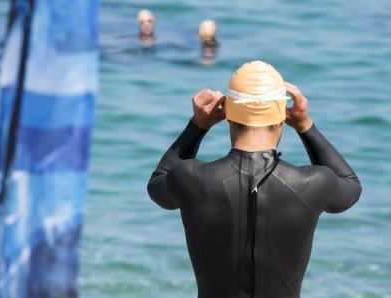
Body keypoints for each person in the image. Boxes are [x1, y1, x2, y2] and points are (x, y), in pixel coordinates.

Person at [147, 60, 362, 298]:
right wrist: (305, 126)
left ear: (228, 114)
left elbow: (158, 183)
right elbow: (350, 185)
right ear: (281, 117)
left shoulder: (190, 177)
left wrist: (197, 125)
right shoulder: (313, 183)